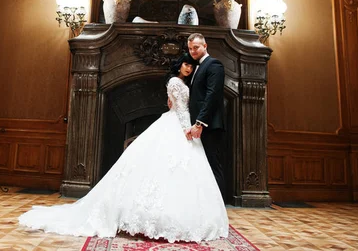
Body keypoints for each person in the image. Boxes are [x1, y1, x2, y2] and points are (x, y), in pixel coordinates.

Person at [19, 53, 229, 243]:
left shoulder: (183, 82)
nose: (189, 68)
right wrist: (187, 129)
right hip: (178, 125)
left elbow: (178, 105)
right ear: (178, 65)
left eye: (191, 66)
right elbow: (181, 109)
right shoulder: (175, 82)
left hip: (179, 123)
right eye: (186, 64)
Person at [186, 33, 226, 199]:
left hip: (209, 125)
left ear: (205, 46)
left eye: (196, 47)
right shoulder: (198, 66)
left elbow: (212, 95)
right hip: (199, 125)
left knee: (212, 165)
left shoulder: (214, 65)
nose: (193, 51)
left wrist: (200, 123)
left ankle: (219, 207)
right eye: (190, 48)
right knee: (203, 165)